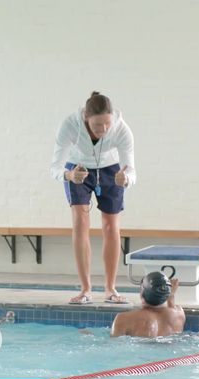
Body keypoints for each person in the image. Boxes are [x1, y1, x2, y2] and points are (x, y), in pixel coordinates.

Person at [51, 91, 137, 305]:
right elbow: (55, 167)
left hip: (111, 169)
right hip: (77, 169)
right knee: (80, 222)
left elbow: (133, 172)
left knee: (111, 226)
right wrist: (69, 175)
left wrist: (125, 178)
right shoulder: (70, 125)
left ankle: (110, 289)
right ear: (86, 118)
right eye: (98, 125)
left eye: (107, 124)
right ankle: (85, 289)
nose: (103, 130)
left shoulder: (121, 129)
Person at [110, 272, 184, 338]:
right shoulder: (179, 314)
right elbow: (171, 307)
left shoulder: (123, 319)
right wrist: (171, 295)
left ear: (142, 293)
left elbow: (113, 346)